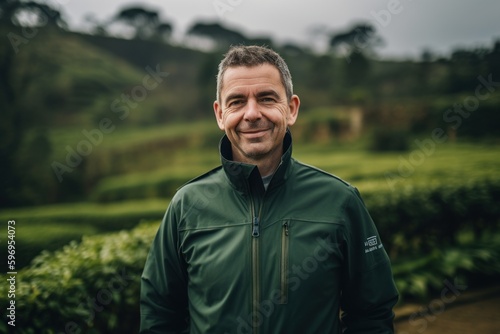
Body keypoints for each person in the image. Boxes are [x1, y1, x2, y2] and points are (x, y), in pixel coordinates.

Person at [140, 45, 399, 334]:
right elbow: (160, 311)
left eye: (266, 98)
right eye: (237, 101)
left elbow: (372, 311)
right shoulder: (186, 206)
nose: (252, 114)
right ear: (220, 114)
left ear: (291, 109)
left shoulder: (340, 201)